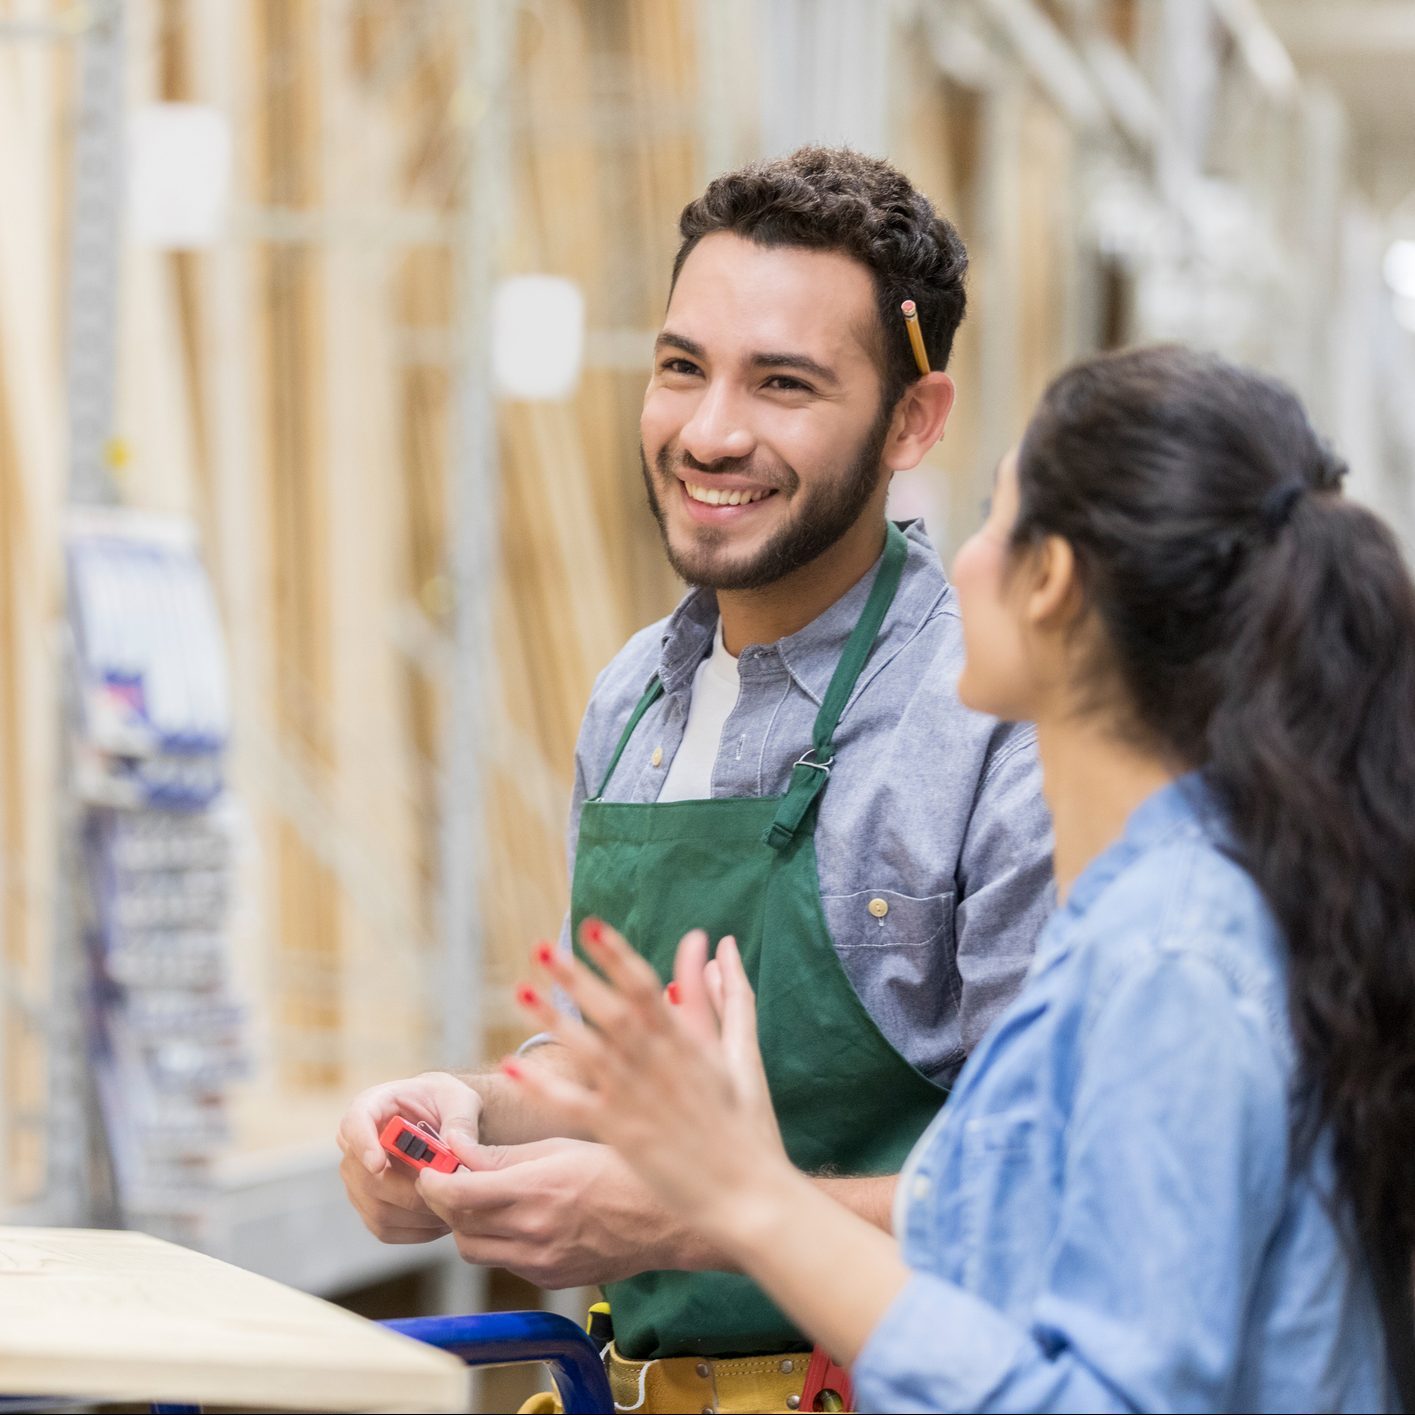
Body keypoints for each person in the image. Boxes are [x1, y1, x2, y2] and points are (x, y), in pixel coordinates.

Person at [509, 345, 1415, 1413]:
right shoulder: (1136, 922)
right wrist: (688, 1167)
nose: (960, 559)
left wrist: (747, 1195)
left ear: (1052, 581)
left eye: (991, 518)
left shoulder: (1170, 958)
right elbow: (983, 1222)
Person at [337, 147, 1054, 1406]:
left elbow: (1046, 1199)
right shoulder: (632, 700)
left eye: (783, 384)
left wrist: (693, 1217)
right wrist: (468, 1113)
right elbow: (612, 1083)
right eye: (681, 367)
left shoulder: (990, 720)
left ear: (911, 421)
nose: (710, 431)